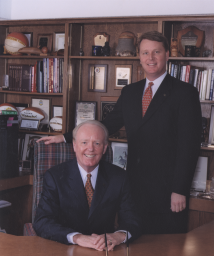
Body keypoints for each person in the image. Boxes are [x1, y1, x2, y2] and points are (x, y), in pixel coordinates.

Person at [37, 31, 202, 234]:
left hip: (167, 191)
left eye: (156, 52)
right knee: (134, 245)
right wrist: (65, 136)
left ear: (167, 55)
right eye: (145, 53)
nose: (150, 58)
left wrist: (179, 189)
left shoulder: (184, 93)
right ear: (139, 57)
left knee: (167, 250)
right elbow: (107, 124)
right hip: (134, 188)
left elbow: (189, 146)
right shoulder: (130, 92)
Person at [33, 120, 141, 250]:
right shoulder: (55, 176)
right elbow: (42, 221)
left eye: (97, 143)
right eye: (84, 142)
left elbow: (132, 220)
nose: (90, 148)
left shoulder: (119, 177)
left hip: (105, 251)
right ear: (74, 145)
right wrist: (77, 237)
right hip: (64, 251)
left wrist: (118, 236)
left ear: (105, 148)